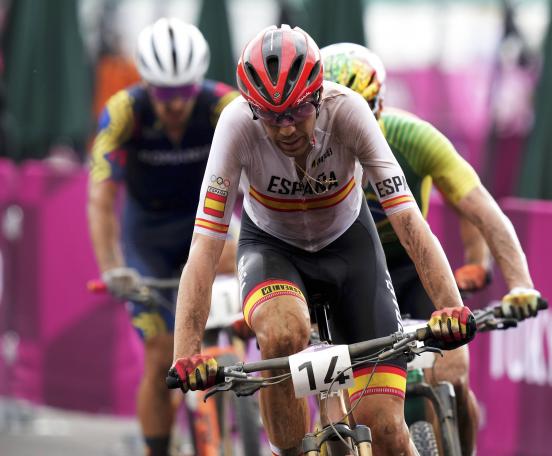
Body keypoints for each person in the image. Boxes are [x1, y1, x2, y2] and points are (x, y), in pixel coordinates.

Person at [168, 25, 476, 456]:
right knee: (281, 333)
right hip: (272, 249)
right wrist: (188, 350)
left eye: (296, 112)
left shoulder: (348, 111)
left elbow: (407, 218)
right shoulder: (236, 124)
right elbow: (205, 244)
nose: (286, 128)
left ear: (318, 96)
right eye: (272, 117)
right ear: (253, 108)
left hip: (349, 249)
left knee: (385, 429)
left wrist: (449, 305)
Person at [321, 42, 546, 454]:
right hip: (344, 273)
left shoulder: (413, 137)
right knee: (330, 401)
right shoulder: (303, 152)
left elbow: (481, 209)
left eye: (361, 112)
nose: (346, 127)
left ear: (381, 107)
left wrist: (520, 284)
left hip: (411, 267)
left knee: (453, 374)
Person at [87, 18, 239, 456]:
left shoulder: (222, 106)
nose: (174, 105)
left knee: (244, 311)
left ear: (199, 82)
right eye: (164, 93)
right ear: (147, 84)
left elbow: (261, 175)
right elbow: (100, 198)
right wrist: (112, 267)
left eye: (184, 92)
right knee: (159, 355)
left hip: (208, 232)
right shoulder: (124, 111)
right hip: (147, 240)